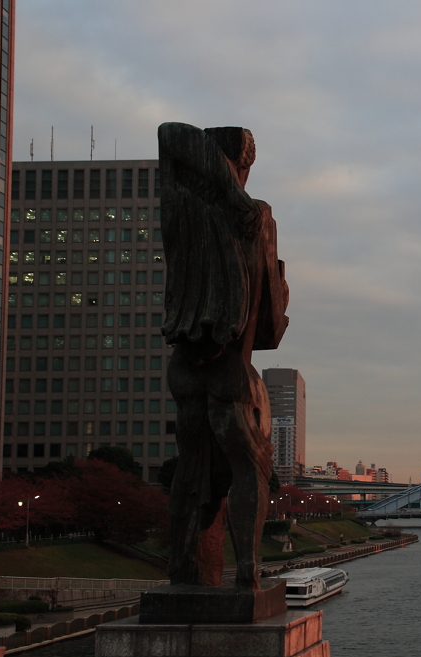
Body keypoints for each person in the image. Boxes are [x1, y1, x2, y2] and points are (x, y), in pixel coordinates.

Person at [158, 123, 289, 591]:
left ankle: (183, 572)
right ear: (243, 166)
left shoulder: (178, 206)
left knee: (191, 467)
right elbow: (269, 326)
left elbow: (170, 134)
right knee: (248, 468)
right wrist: (281, 287)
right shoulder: (258, 217)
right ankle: (248, 572)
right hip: (231, 368)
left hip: (184, 368)